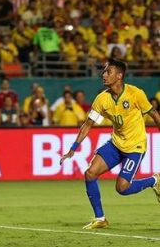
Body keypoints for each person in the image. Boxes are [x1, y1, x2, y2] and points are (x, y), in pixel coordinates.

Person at [60, 59, 160, 230]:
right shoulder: (102, 99)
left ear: (119, 75)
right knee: (90, 173)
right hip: (115, 144)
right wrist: (72, 149)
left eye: (108, 72)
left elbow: (155, 116)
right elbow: (88, 124)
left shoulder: (136, 94)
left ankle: (154, 180)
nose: (104, 75)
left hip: (135, 147)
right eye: (104, 72)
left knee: (122, 188)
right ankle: (100, 219)